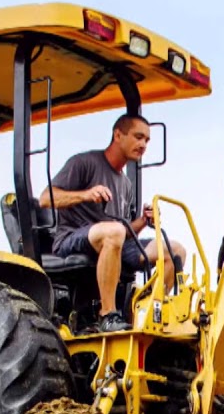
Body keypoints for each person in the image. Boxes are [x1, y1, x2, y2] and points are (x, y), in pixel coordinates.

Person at [42, 113, 187, 332]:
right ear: (118, 135)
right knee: (113, 232)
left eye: (147, 140)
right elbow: (46, 199)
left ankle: (144, 314)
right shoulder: (84, 163)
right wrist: (86, 194)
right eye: (138, 137)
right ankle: (107, 314)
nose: (143, 144)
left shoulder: (125, 183)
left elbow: (125, 233)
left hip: (112, 240)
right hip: (72, 238)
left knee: (175, 251)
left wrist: (142, 221)